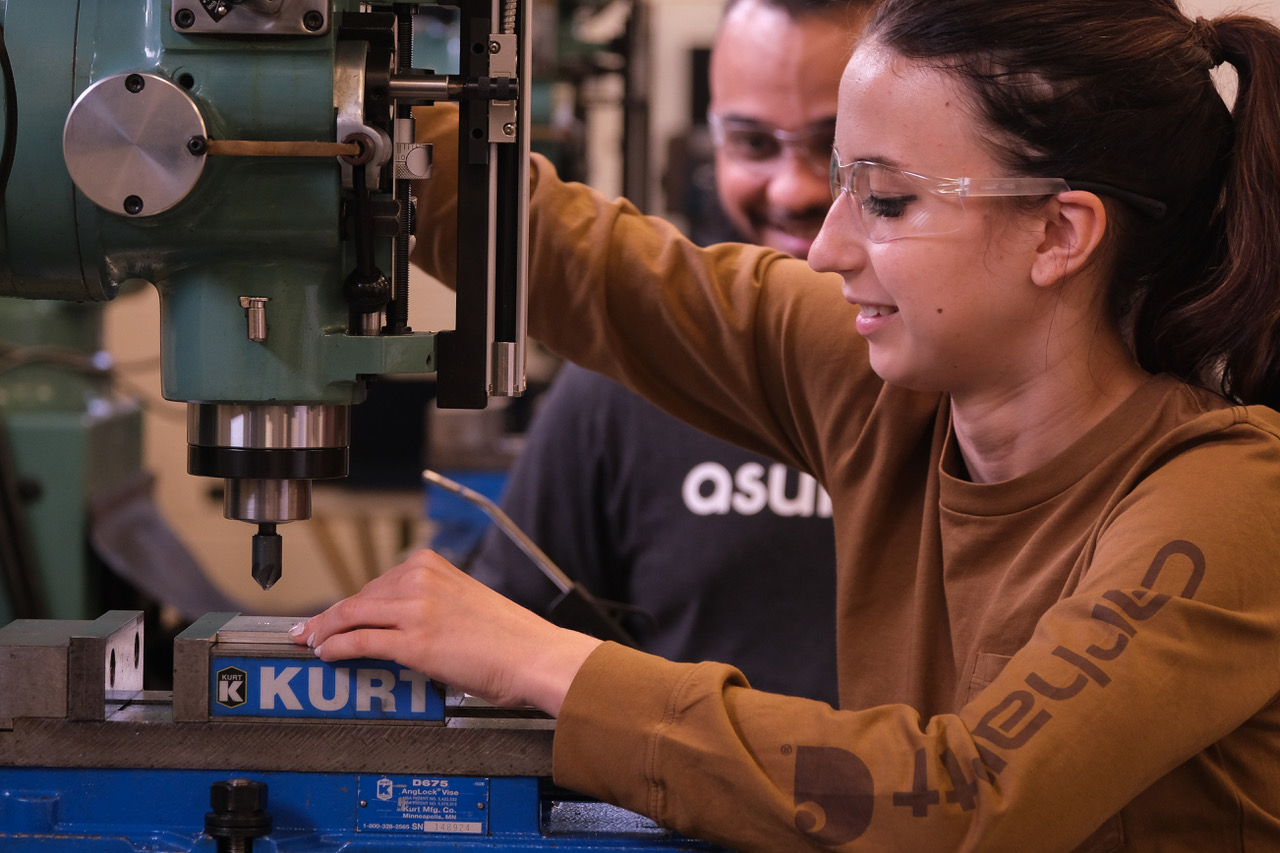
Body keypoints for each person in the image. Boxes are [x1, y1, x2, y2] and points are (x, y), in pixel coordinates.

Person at [294, 0, 1280, 848]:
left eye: (885, 200)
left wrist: (546, 661)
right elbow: (590, 265)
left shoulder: (1228, 500)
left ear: (1059, 233)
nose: (823, 245)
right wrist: (319, 100)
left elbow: (959, 803)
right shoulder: (885, 386)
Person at [462, 0, 874, 705]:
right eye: (752, 143)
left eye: (838, 148)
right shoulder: (620, 388)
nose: (796, 188)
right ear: (708, 138)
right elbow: (504, 643)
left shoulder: (975, 385)